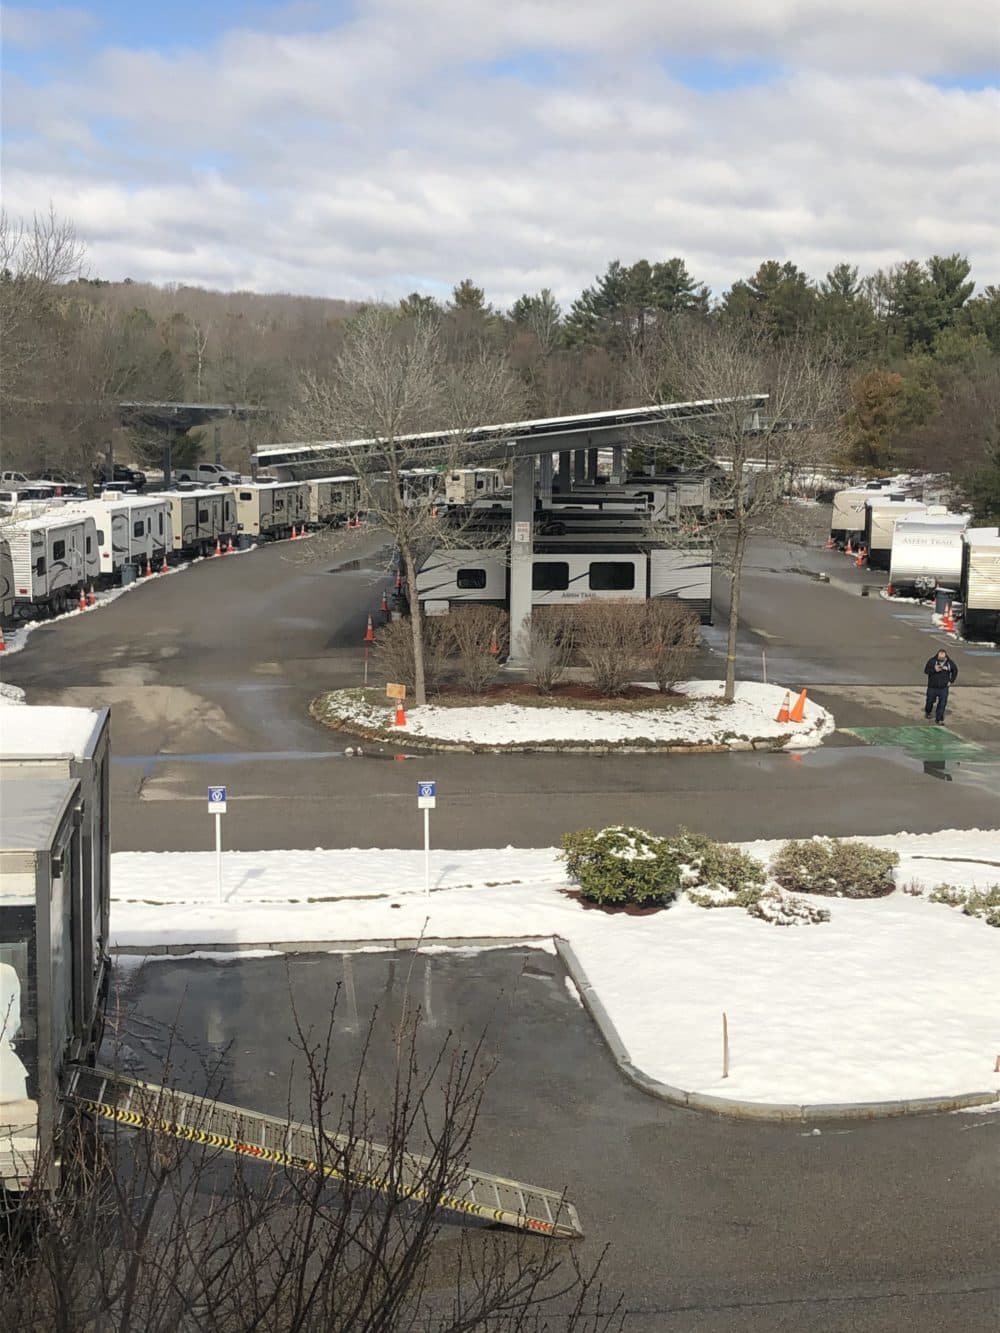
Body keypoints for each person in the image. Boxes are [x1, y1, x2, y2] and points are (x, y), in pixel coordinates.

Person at [924, 649, 958, 724]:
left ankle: (939, 718)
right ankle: (928, 712)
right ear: (937, 655)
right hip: (932, 686)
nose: (941, 659)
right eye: (939, 657)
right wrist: (934, 669)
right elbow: (926, 671)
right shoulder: (932, 661)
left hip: (944, 687)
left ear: (945, 657)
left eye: (942, 658)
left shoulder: (949, 663)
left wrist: (951, 681)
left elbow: (955, 671)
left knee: (942, 703)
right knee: (929, 701)